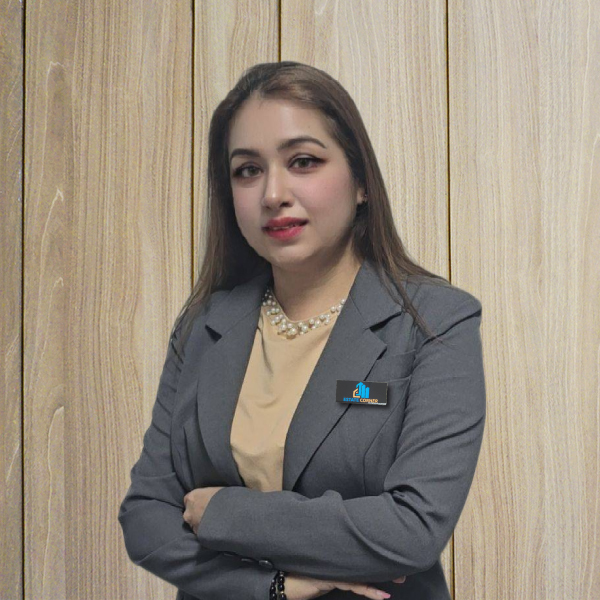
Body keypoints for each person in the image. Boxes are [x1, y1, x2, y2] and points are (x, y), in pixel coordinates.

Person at [119, 61, 486, 600]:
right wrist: (275, 586)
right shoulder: (203, 325)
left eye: (303, 162)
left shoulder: (435, 322)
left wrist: (223, 511)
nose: (273, 193)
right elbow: (146, 517)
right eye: (248, 170)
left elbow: (412, 530)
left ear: (361, 181)